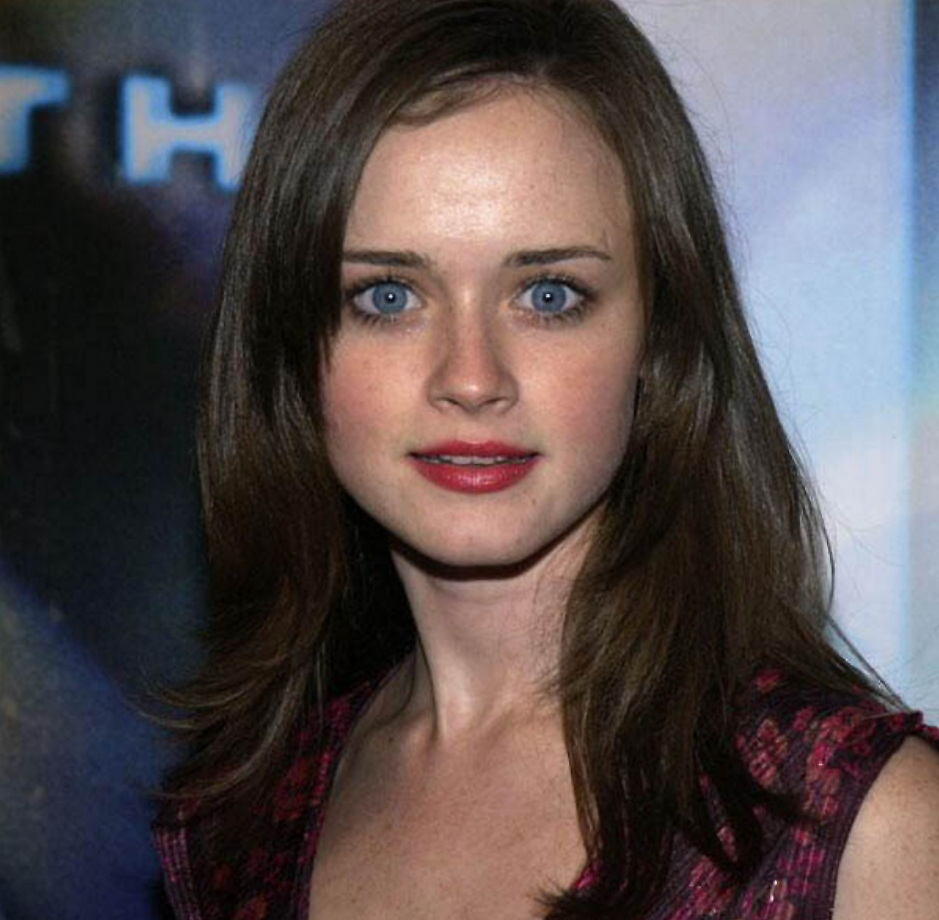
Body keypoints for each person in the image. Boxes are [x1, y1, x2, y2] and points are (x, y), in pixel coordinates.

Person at [153, 1, 939, 918]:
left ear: (659, 336)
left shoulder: (868, 825)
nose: (470, 379)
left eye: (548, 295)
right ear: (290, 342)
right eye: (389, 296)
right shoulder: (240, 825)